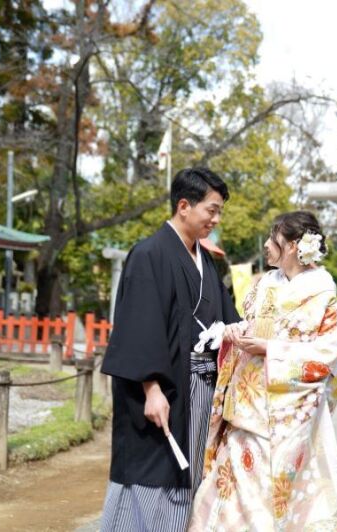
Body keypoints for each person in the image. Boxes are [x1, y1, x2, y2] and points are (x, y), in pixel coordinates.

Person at [188, 211, 337, 532]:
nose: (266, 245)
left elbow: (335, 352)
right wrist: (234, 333)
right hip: (244, 411)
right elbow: (250, 325)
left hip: (288, 418)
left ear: (293, 245)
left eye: (273, 238)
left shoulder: (320, 289)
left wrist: (271, 350)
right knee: (224, 494)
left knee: (272, 501)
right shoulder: (264, 283)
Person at [100, 167, 241, 531]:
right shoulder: (149, 254)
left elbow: (228, 319)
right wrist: (151, 389)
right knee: (154, 473)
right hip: (163, 390)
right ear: (184, 205)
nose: (216, 218)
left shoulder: (204, 260)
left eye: (218, 210)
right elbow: (139, 327)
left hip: (199, 390)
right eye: (212, 209)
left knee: (191, 471)